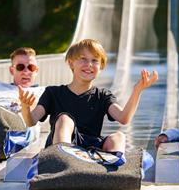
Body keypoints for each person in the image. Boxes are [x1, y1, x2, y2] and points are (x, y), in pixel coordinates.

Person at [19, 39, 158, 156]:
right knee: (64, 120)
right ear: (71, 63)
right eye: (83, 59)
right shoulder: (53, 93)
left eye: (95, 60)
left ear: (101, 66)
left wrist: (137, 91)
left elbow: (124, 118)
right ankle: (63, 160)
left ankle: (112, 168)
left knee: (119, 137)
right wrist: (25, 107)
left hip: (90, 149)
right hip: (61, 146)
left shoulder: (102, 95)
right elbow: (31, 121)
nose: (89, 65)